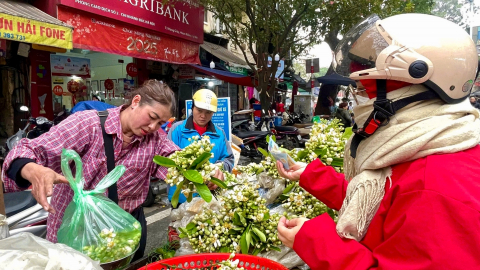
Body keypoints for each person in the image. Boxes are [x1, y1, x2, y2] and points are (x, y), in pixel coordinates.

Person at [276, 13, 480, 269]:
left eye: (364, 90)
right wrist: (310, 174)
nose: (357, 101)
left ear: (406, 92)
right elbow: (377, 204)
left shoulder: (435, 187)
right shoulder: (422, 147)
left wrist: (315, 242)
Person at [1, 80, 179, 261]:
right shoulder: (88, 125)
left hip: (125, 232)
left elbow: (178, 162)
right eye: (152, 116)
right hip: (77, 233)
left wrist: (201, 174)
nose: (152, 127)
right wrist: (34, 170)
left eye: (160, 123)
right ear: (135, 101)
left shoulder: (155, 140)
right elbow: (26, 151)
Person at [167, 89, 233, 204]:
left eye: (208, 112)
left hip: (210, 197)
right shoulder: (176, 130)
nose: (203, 116)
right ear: (192, 108)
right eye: (199, 110)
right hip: (182, 198)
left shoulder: (219, 133)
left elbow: (229, 159)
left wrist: (218, 170)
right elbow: (167, 159)